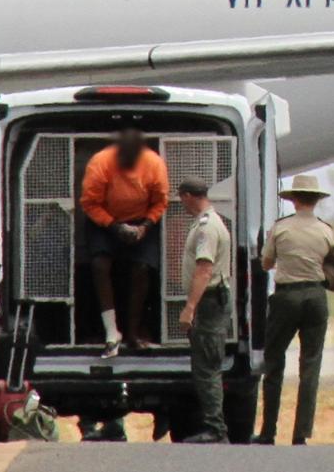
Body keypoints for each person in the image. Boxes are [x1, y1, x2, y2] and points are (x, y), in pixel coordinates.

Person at [78, 128, 168, 443]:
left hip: (142, 221)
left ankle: (132, 331)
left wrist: (145, 227)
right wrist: (115, 227)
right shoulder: (100, 163)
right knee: (101, 265)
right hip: (105, 220)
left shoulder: (154, 164)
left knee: (142, 268)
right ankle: (110, 332)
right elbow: (89, 202)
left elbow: (160, 201)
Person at [253, 175, 334, 446]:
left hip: (287, 296)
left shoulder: (281, 228)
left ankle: (268, 431)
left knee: (274, 362)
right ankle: (301, 433)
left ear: (294, 199)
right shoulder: (326, 230)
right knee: (310, 365)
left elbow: (266, 263)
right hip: (316, 295)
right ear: (315, 200)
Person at [177, 177, 233, 444]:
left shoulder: (207, 228)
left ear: (188, 196)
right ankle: (214, 426)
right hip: (210, 299)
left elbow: (204, 269)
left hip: (209, 301)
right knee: (206, 365)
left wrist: (190, 307)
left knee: (207, 367)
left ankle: (216, 429)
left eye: (182, 198)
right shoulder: (209, 222)